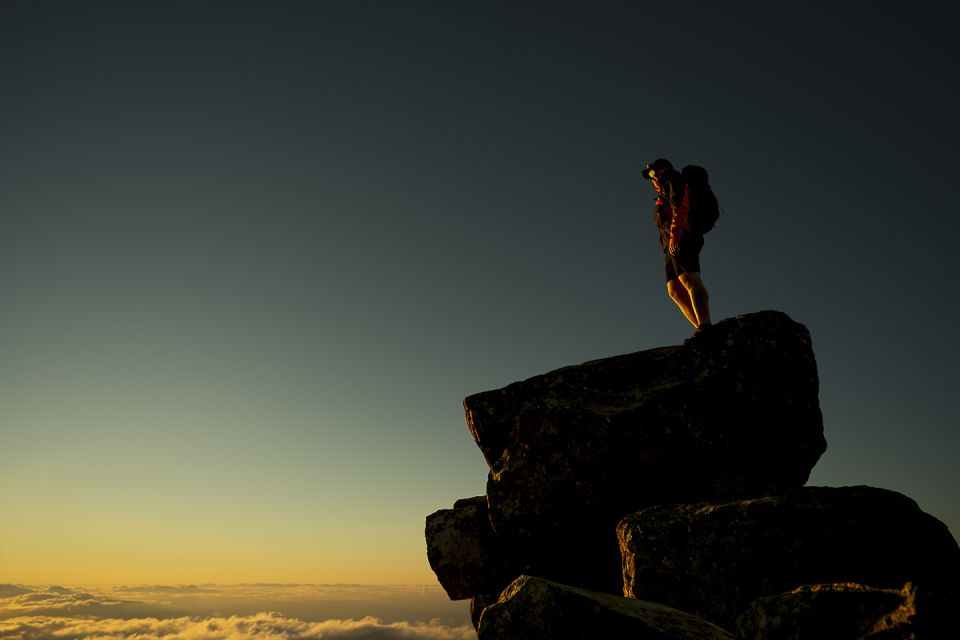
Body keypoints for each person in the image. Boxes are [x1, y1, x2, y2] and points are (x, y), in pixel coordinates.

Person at [643, 158, 712, 334]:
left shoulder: (672, 179)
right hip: (669, 243)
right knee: (674, 290)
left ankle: (706, 327)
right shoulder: (661, 192)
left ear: (663, 169)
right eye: (649, 176)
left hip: (682, 236)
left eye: (652, 172)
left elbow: (680, 205)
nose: (651, 178)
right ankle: (700, 328)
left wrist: (676, 235)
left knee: (689, 279)